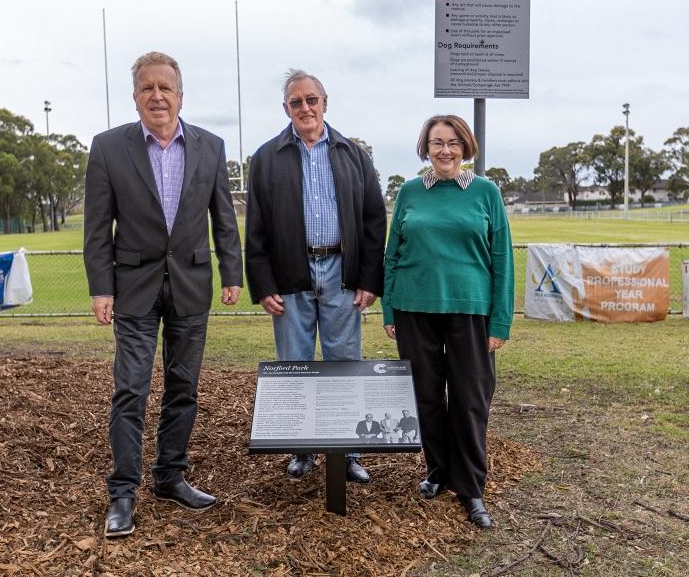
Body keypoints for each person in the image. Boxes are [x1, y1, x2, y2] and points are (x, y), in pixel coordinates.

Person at [83, 52, 243, 538]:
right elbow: (97, 227)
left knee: (184, 388)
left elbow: (224, 218)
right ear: (135, 97)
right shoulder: (109, 148)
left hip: (192, 285)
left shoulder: (211, 147)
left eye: (165, 88)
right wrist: (100, 286)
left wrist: (231, 272)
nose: (157, 96)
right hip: (132, 286)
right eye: (147, 88)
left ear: (179, 94)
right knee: (131, 388)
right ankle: (123, 491)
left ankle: (170, 476)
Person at [245, 69, 387, 484]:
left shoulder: (353, 154)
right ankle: (302, 449)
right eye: (296, 102)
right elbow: (256, 228)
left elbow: (373, 220)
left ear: (325, 102)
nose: (305, 108)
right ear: (285, 109)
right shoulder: (267, 158)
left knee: (345, 363)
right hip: (292, 274)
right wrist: (264, 283)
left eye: (312, 99)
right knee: (295, 364)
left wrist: (368, 279)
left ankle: (348, 451)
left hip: (343, 272)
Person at [382, 114, 514, 529]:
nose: (445, 150)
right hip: (413, 307)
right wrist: (389, 310)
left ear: (465, 147)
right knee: (425, 397)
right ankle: (437, 470)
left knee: (470, 399)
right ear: (425, 147)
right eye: (437, 142)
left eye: (453, 142)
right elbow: (393, 253)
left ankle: (471, 487)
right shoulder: (409, 192)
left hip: (470, 310)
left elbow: (502, 260)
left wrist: (500, 322)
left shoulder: (485, 192)